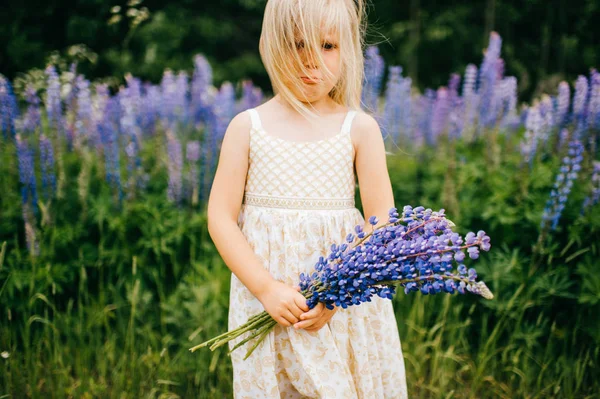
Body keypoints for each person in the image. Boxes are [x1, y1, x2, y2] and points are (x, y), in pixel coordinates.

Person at [207, 0, 408, 397]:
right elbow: (220, 218)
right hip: (268, 302)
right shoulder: (248, 127)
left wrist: (339, 292)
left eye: (328, 46)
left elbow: (381, 224)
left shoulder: (358, 129)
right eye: (298, 44)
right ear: (272, 45)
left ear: (347, 49)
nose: (312, 60)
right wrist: (266, 289)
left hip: (341, 309)